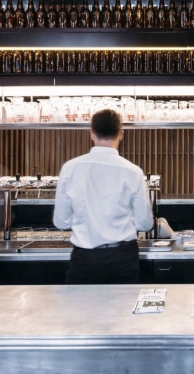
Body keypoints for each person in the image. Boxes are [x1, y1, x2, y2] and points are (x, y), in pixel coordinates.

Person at [53, 109, 154, 284]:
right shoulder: (133, 171)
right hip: (122, 258)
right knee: (122, 304)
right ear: (120, 134)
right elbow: (144, 223)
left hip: (84, 258)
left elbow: (61, 222)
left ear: (92, 134)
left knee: (79, 303)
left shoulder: (70, 168)